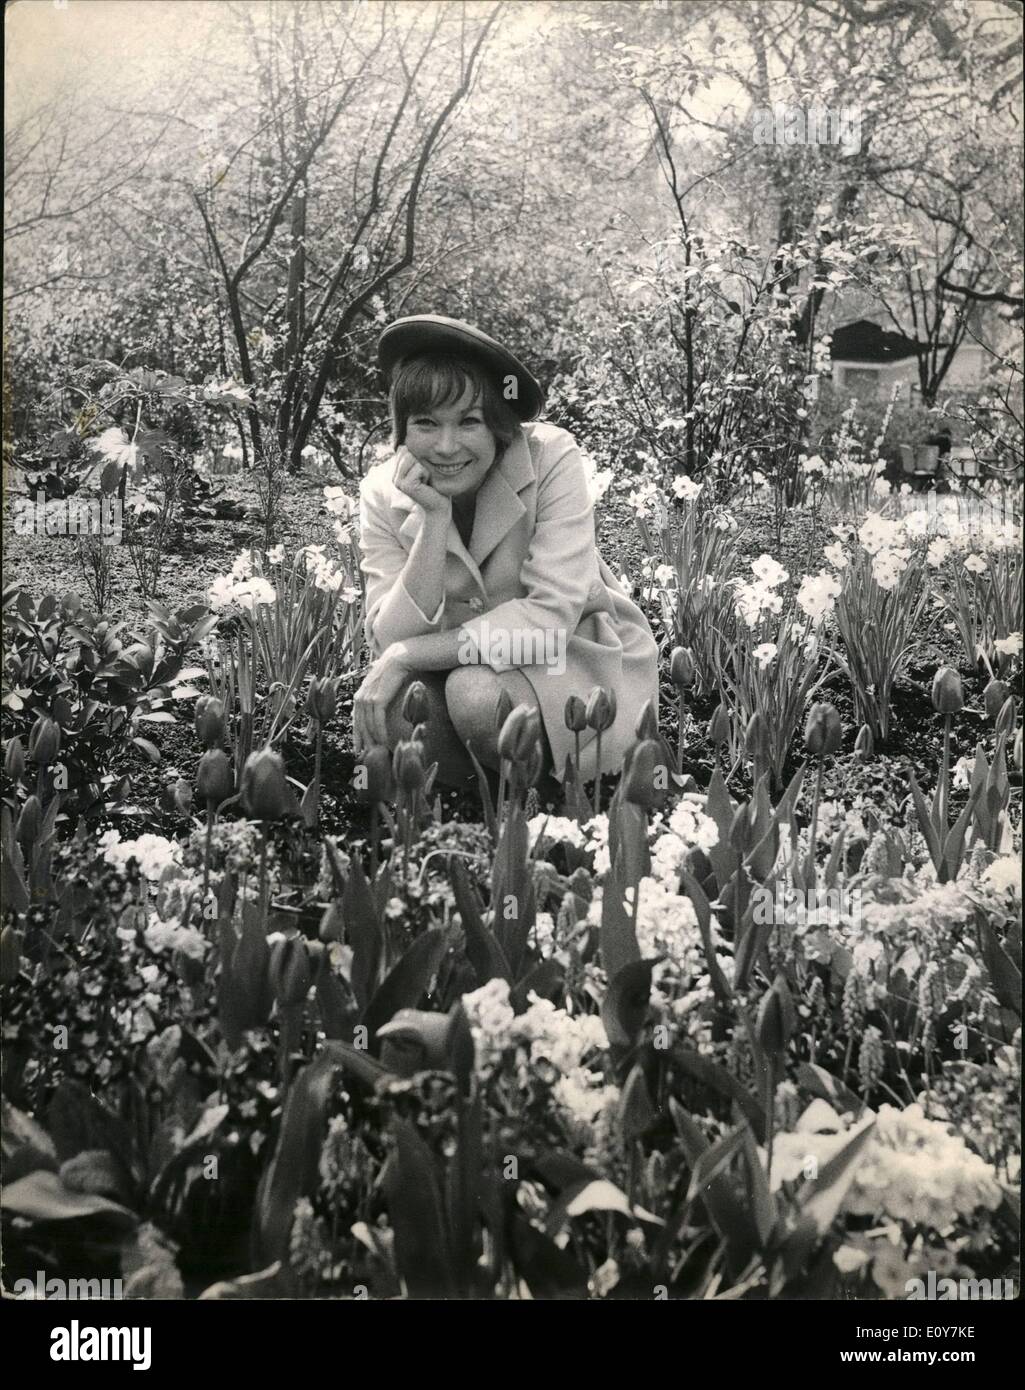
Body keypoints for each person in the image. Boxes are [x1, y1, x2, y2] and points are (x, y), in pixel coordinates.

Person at [352, 313, 660, 791]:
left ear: (497, 422)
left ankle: (563, 809)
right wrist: (433, 522)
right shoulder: (381, 493)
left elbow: (550, 622)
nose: (446, 446)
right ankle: (484, 816)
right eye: (426, 423)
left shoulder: (551, 457)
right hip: (454, 662)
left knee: (474, 694)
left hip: (566, 657)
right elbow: (389, 635)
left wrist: (407, 654)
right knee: (399, 710)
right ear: (402, 431)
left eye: (469, 421)